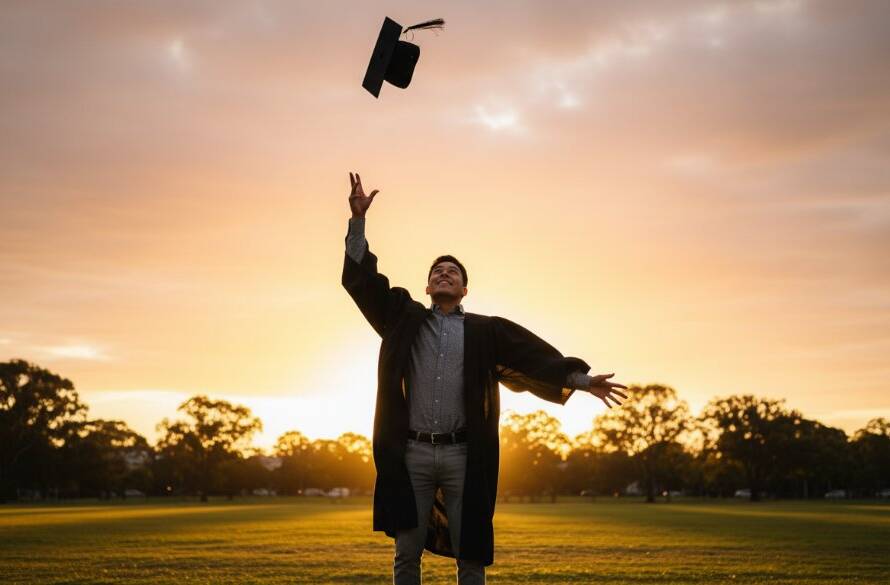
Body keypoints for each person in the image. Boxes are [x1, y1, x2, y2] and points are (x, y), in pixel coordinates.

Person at [341, 172, 628, 585]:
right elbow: (362, 283)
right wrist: (358, 222)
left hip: (464, 457)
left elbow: (534, 357)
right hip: (412, 455)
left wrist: (581, 381)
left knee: (471, 555)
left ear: (464, 289)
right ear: (426, 285)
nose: (444, 274)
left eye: (452, 272)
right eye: (437, 270)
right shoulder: (403, 318)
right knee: (406, 554)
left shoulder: (484, 331)